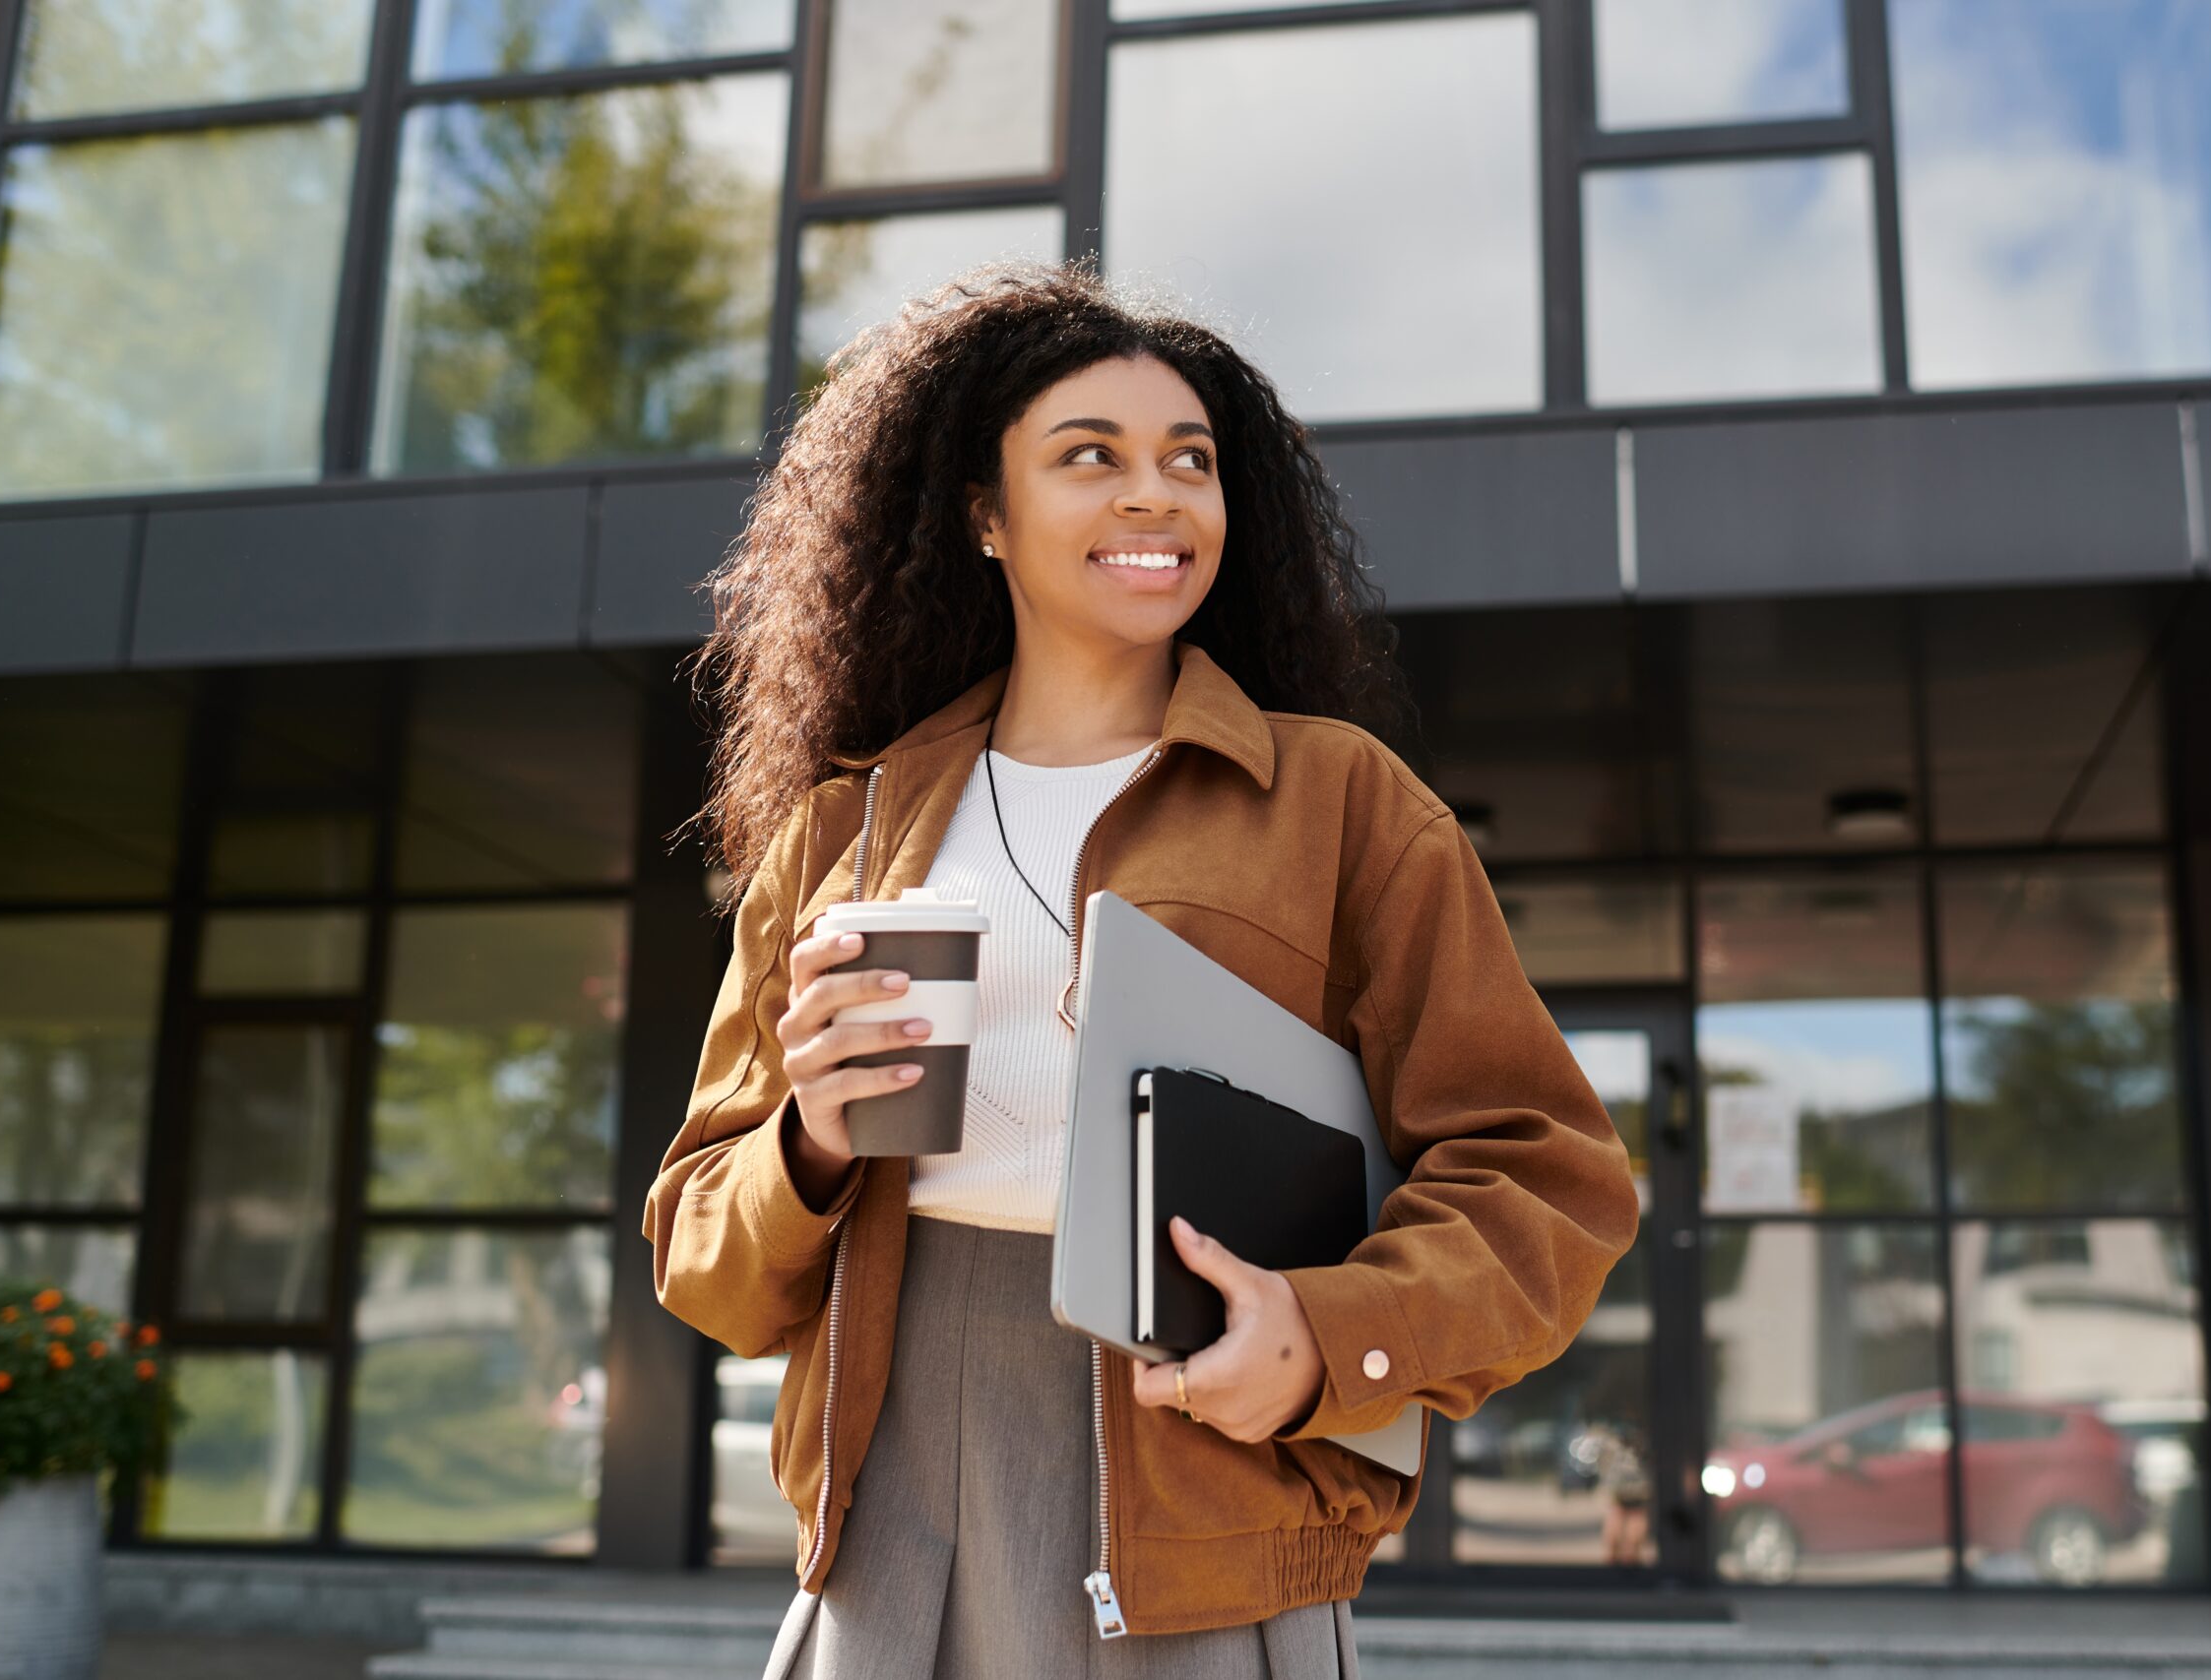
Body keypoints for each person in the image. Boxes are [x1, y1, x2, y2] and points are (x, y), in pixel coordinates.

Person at [641, 259, 1642, 1680]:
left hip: (1210, 1494)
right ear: (985, 514)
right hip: (894, 1500)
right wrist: (805, 1139)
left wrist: (1326, 1337)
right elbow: (701, 1255)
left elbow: (1550, 1175)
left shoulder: (1340, 802)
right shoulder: (846, 831)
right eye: (1089, 457)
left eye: (1191, 462)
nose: (1155, 495)